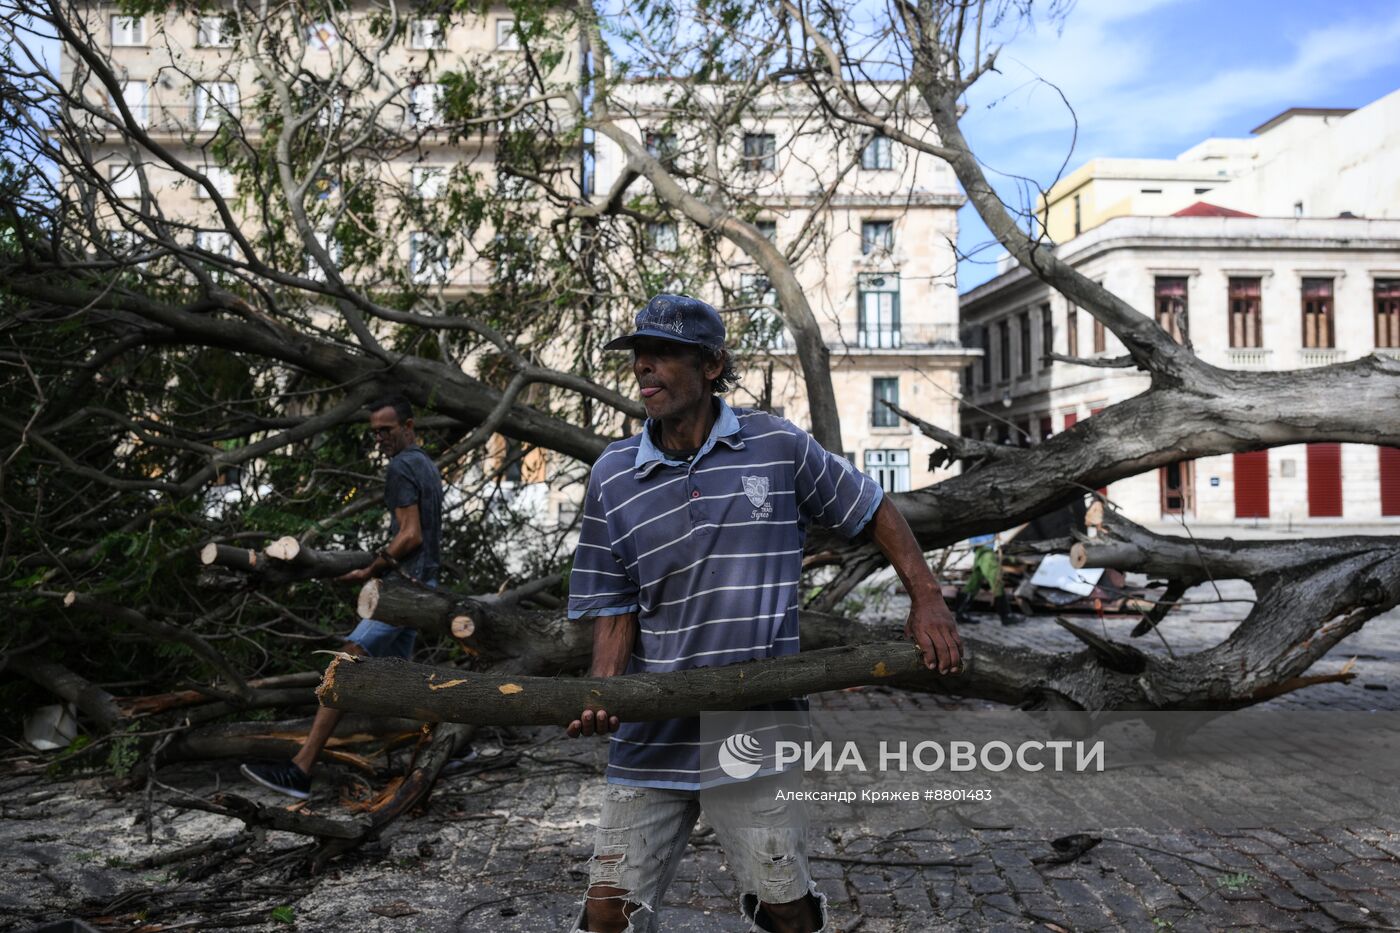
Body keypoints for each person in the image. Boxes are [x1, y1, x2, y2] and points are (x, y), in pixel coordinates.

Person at [565, 294, 962, 933]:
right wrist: (604, 691)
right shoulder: (615, 475)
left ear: (713, 364)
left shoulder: (775, 448)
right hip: (652, 735)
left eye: (665, 353)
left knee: (783, 904)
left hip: (753, 731)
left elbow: (871, 507)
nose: (646, 368)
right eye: (640, 356)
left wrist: (927, 598)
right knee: (608, 912)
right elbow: (614, 606)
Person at [240, 394, 443, 799]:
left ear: (408, 425)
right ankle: (452, 744)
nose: (380, 438)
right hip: (423, 588)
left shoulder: (403, 466)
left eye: (387, 430)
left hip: (401, 593)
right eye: (375, 433)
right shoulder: (425, 465)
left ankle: (300, 770)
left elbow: (410, 535)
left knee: (344, 667)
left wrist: (371, 569)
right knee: (409, 684)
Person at [949, 535, 1025, 626]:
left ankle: (961, 614)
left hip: (979, 550)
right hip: (986, 550)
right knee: (996, 581)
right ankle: (1006, 616)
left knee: (974, 583)